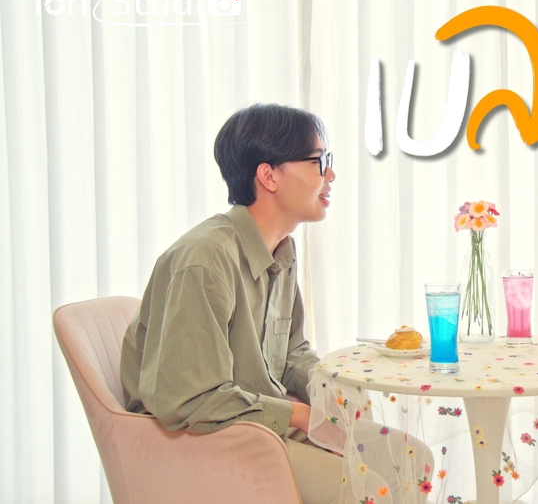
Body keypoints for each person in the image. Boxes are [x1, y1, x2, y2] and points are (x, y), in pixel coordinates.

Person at [120, 103, 432, 504]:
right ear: (269, 176)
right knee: (375, 489)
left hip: (260, 422)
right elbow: (191, 399)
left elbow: (290, 352)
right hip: (205, 442)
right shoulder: (205, 261)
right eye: (319, 162)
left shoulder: (281, 251)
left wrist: (331, 390)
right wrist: (303, 415)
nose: (331, 175)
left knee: (413, 461)